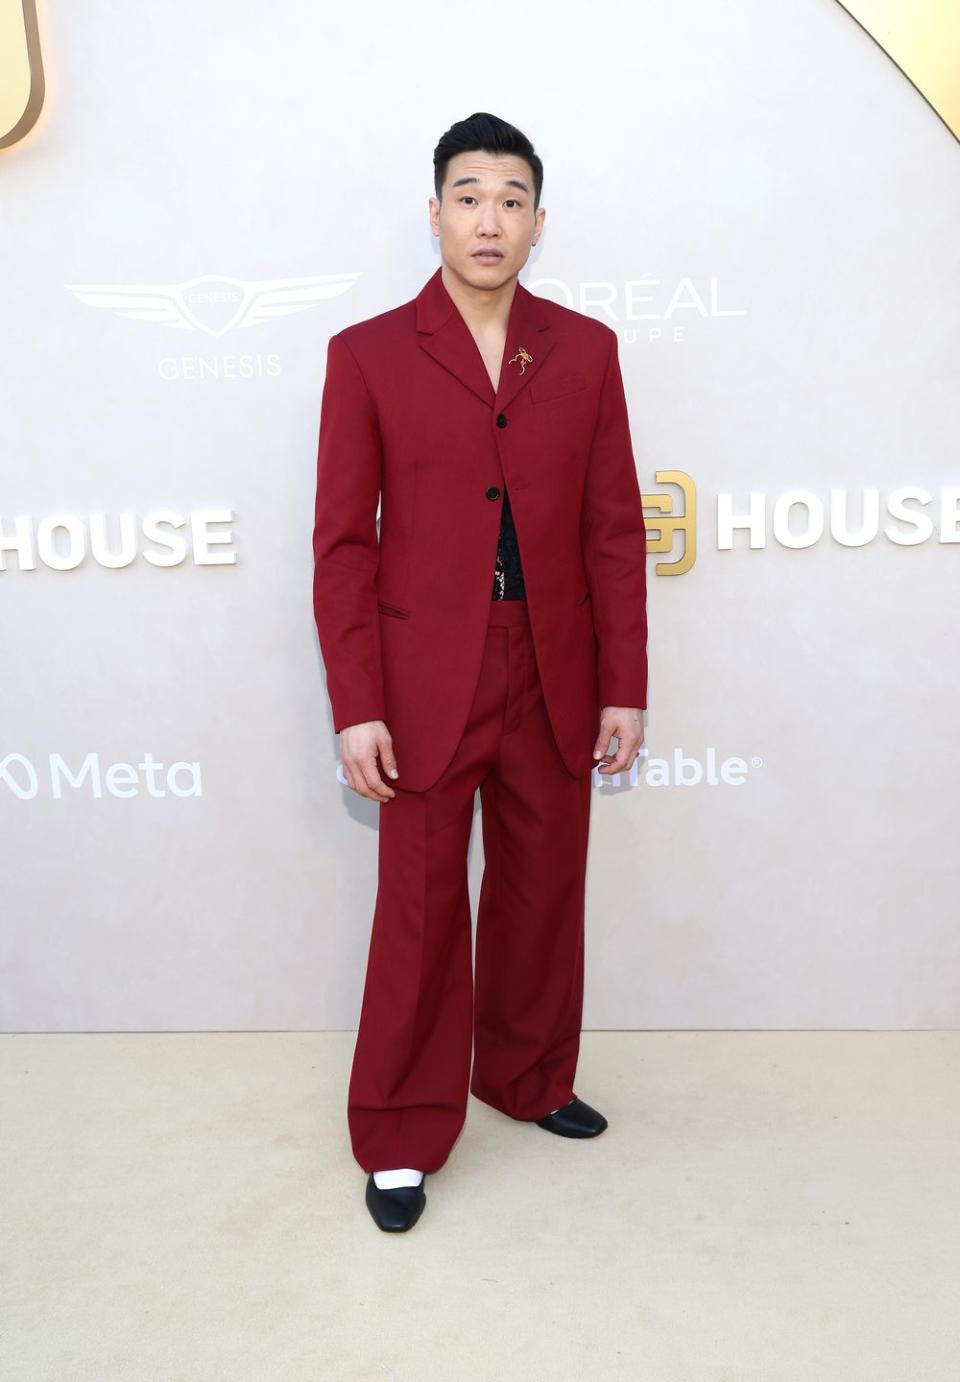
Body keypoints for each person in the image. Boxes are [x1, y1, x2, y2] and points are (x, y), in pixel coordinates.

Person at [312, 111, 648, 1232]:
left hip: (555, 664)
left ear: (539, 221)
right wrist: (356, 703)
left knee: (543, 890)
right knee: (417, 910)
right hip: (420, 676)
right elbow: (342, 545)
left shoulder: (587, 351)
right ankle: (402, 1129)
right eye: (468, 195)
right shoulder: (364, 353)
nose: (489, 218)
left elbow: (612, 531)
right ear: (435, 213)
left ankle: (527, 1075)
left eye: (511, 198)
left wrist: (624, 681)